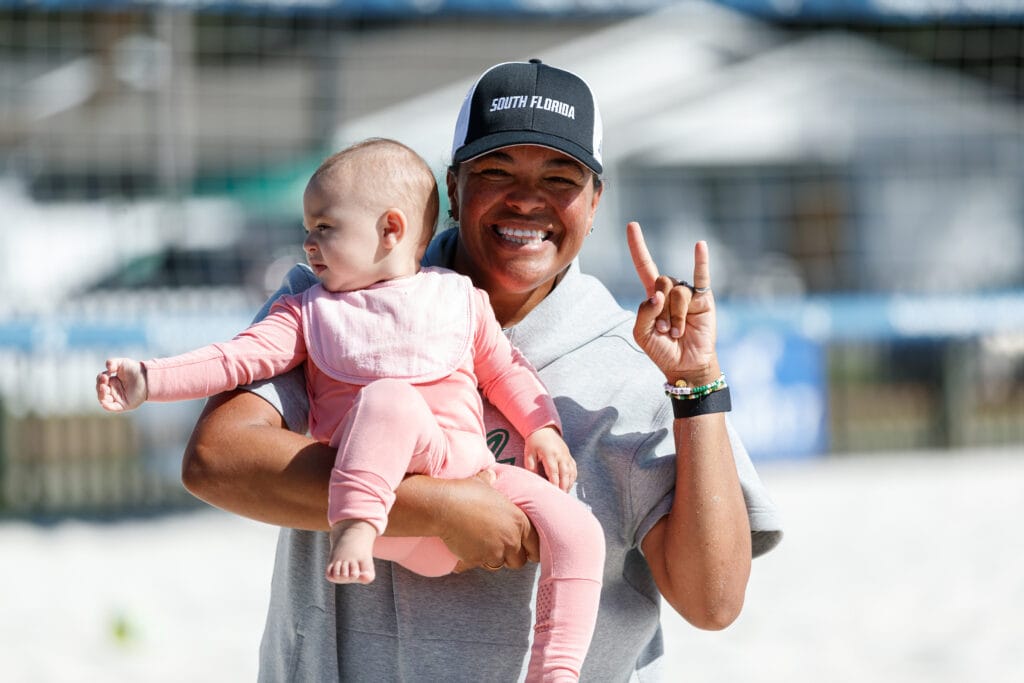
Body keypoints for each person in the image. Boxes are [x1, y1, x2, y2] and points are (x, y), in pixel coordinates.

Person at [180, 60, 784, 681]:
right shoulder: (334, 295)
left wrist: (695, 385)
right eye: (497, 171)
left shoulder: (636, 366)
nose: (527, 199)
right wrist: (441, 508)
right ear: (453, 187)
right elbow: (216, 460)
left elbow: (713, 602)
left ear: (594, 202)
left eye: (560, 177)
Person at [96, 137, 606, 681]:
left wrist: (542, 428)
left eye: (325, 227)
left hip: (476, 474)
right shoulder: (309, 311)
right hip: (382, 510)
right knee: (389, 400)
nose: (308, 242)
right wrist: (150, 379)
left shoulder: (458, 298)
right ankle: (355, 523)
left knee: (579, 531)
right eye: (308, 228)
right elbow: (236, 359)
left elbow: (506, 371)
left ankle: (556, 670)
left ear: (390, 229)